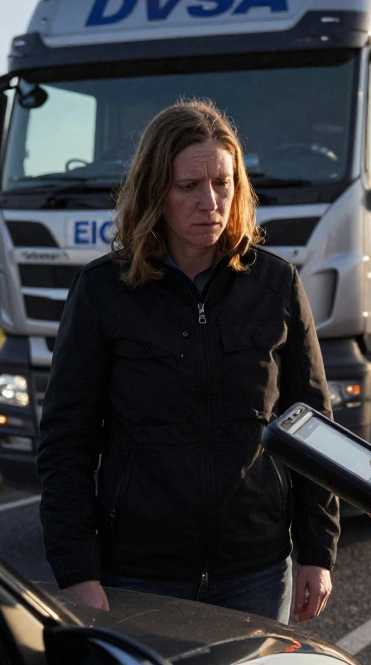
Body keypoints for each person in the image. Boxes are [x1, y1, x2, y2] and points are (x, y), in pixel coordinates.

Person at [37, 98, 339, 624]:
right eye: (189, 187)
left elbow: (312, 427)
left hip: (257, 571)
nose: (210, 202)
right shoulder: (104, 291)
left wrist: (317, 551)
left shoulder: (276, 284)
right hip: (137, 574)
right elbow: (66, 441)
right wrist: (77, 570)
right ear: (155, 190)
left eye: (223, 183)